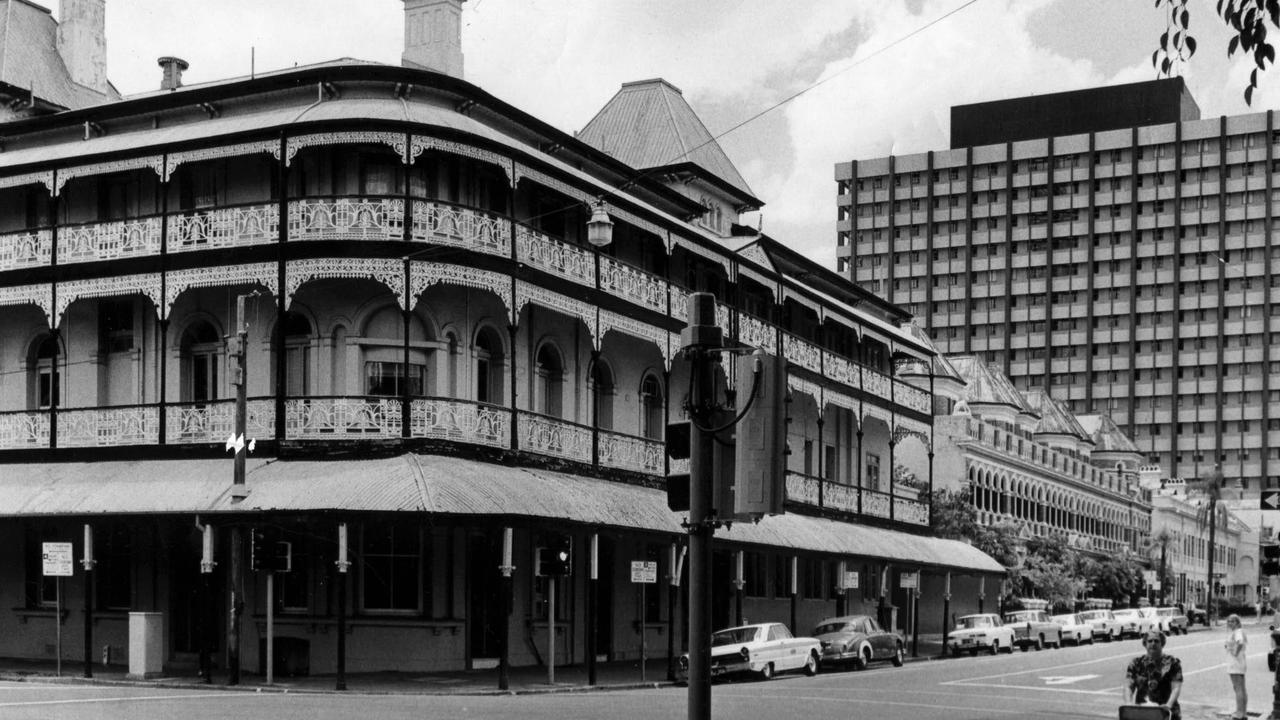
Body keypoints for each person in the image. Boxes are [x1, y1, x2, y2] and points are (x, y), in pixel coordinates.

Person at [1125, 630, 1183, 720]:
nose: (1153, 643)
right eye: (1150, 641)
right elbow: (1129, 686)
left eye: (1156, 641)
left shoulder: (1172, 663)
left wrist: (1168, 705)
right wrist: (1128, 703)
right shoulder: (1136, 663)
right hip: (1144, 712)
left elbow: (1176, 687)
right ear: (1145, 644)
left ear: (1162, 643)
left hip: (1167, 712)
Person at [1224, 614, 1247, 719]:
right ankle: (1243, 712)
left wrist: (1235, 652)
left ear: (1237, 622)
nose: (1230, 623)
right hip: (1240, 662)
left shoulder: (1237, 632)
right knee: (1241, 688)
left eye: (1233, 621)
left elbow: (1240, 643)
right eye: (1229, 621)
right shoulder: (1238, 632)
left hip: (1235, 662)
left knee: (1238, 688)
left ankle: (1239, 713)